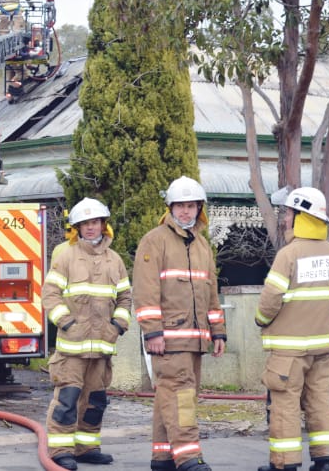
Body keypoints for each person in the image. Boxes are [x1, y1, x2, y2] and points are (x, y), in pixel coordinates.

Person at [255, 187, 329, 471]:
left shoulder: (289, 254)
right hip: (323, 350)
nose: (286, 218)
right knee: (320, 401)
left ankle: (284, 464)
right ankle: (325, 461)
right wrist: (326, 312)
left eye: (289, 213)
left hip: (289, 351)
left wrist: (261, 321)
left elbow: (270, 300)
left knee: (285, 405)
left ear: (301, 216)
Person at [132, 176, 227, 471]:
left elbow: (211, 291)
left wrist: (218, 331)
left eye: (191, 206)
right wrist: (153, 332)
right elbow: (145, 290)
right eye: (180, 206)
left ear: (199, 208)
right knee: (181, 396)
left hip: (196, 339)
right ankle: (188, 457)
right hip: (169, 339)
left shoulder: (201, 245)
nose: (186, 212)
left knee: (170, 396)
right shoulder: (154, 240)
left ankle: (163, 457)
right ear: (170, 207)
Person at [41, 197, 132, 470]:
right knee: (67, 399)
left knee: (95, 401)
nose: (90, 228)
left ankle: (87, 447)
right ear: (76, 228)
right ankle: (60, 450)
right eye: (85, 224)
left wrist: (118, 326)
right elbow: (50, 295)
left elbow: (125, 298)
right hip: (72, 348)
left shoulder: (114, 260)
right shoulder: (66, 257)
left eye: (95, 222)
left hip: (102, 346)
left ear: (103, 225)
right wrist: (67, 323)